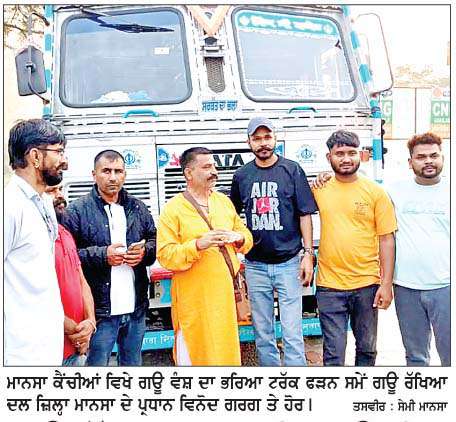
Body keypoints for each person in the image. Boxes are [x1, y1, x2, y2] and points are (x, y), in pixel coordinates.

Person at [230, 117, 317, 366]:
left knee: (292, 332)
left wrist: (308, 254)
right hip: (255, 265)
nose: (263, 143)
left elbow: (305, 215)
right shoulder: (242, 175)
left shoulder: (292, 170)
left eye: (267, 137)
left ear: (275, 138)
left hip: (289, 263)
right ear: (248, 142)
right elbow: (232, 215)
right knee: (263, 333)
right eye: (257, 139)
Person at [157, 147, 253, 366]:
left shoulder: (223, 202)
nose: (214, 172)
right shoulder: (173, 209)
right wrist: (198, 245)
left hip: (224, 297)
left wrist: (237, 237)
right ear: (189, 173)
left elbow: (246, 236)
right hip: (193, 300)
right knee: (194, 354)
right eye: (207, 167)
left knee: (224, 354)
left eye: (214, 166)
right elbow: (165, 255)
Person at [312, 129, 397, 366]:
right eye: (339, 154)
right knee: (333, 354)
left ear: (360, 155)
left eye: (351, 152)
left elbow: (387, 239)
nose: (346, 158)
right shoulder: (319, 188)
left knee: (367, 350)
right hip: (329, 286)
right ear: (329, 157)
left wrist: (386, 284)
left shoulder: (376, 193)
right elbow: (301, 216)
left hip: (366, 284)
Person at [64, 149, 156, 366]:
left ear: (124, 175)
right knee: (96, 369)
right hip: (99, 312)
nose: (113, 177)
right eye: (106, 171)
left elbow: (155, 240)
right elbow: (67, 258)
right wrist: (102, 255)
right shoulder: (76, 211)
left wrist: (144, 252)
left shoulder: (137, 207)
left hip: (135, 309)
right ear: (94, 174)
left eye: (118, 171)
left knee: (133, 367)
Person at [4, 119, 66, 365]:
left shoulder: (44, 203)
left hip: (47, 346)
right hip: (18, 353)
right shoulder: (9, 207)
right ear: (35, 156)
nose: (64, 160)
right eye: (58, 152)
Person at [387, 133, 450, 366]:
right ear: (410, 162)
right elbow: (358, 186)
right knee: (415, 357)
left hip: (446, 287)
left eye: (434, 155)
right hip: (406, 288)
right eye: (421, 157)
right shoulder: (394, 191)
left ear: (442, 158)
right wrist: (325, 177)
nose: (428, 161)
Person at [45, 183, 96, 366]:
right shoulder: (36, 239)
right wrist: (76, 332)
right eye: (51, 191)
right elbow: (36, 298)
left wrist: (90, 322)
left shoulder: (65, 233)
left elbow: (82, 281)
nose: (60, 195)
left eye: (60, 189)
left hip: (78, 348)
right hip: (52, 350)